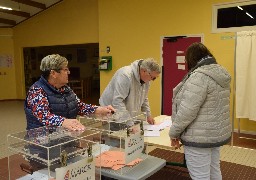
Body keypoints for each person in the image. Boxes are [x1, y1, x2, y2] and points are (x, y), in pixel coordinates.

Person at [169, 42, 231, 180]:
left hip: (198, 137)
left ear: (191, 58)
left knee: (200, 176)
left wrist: (174, 132)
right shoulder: (220, 72)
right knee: (214, 170)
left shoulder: (199, 77)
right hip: (214, 134)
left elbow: (187, 111)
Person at [24, 54, 115, 131]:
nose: (69, 72)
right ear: (53, 73)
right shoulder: (37, 91)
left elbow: (79, 106)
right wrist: (64, 121)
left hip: (64, 137)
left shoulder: (66, 89)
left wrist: (98, 109)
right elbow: (44, 116)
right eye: (65, 70)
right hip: (42, 143)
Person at [99, 58, 161, 125]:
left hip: (126, 114)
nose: (152, 80)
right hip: (111, 112)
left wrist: (148, 115)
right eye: (153, 77)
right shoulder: (125, 75)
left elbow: (144, 98)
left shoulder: (146, 80)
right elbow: (117, 101)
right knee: (113, 134)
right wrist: (129, 124)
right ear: (144, 71)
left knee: (130, 132)